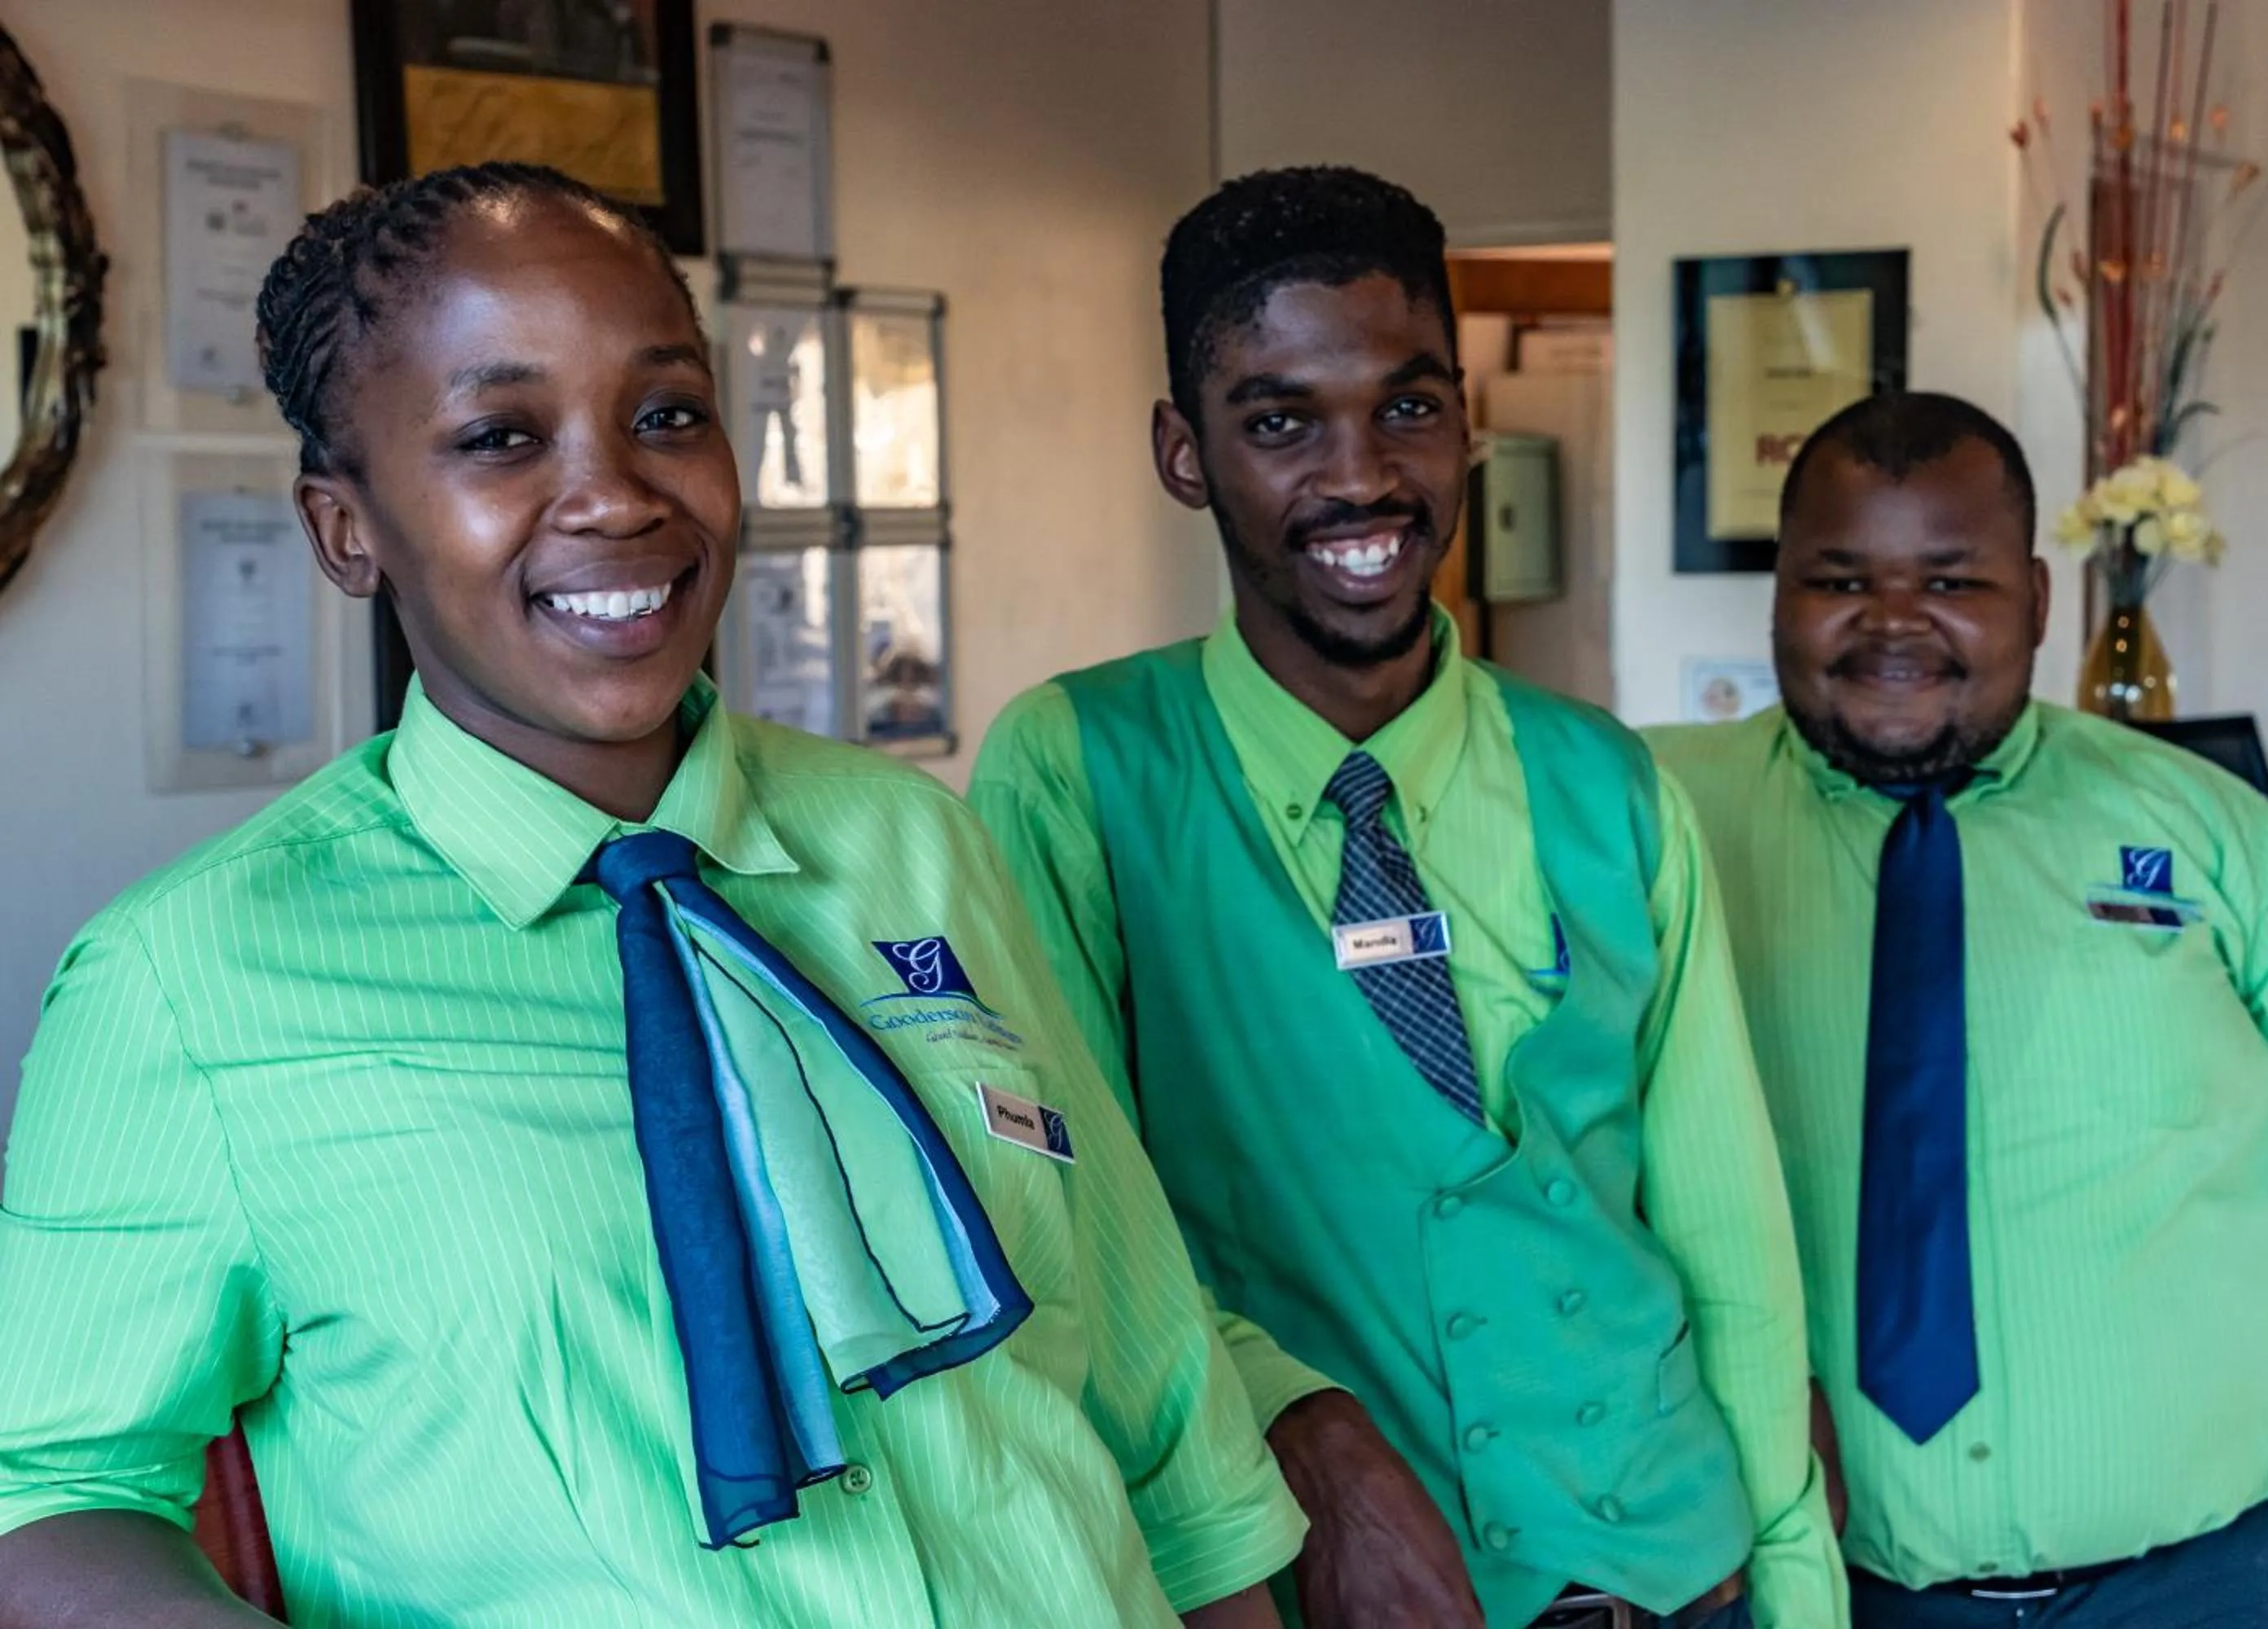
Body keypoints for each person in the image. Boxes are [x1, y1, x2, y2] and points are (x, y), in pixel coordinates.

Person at [0, 163, 1302, 1629]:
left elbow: (1155, 1394)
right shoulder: (191, 977)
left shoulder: (912, 845)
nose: (617, 495)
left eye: (668, 414)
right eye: (500, 436)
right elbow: (44, 1495)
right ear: (343, 530)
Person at [969, 165, 1843, 1629]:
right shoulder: (1079, 773)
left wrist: (1800, 1594)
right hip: (1350, 1591)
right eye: (1280, 421)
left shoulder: (1609, 783)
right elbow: (1064, 1217)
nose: (1363, 474)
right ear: (1185, 454)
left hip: (1680, 1576)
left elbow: (1728, 1237)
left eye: (1410, 405)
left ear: (1468, 421)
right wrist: (1298, 1421)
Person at [1646, 391, 2268, 1629]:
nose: (1894, 626)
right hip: (1811, 1595)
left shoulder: (2216, 837)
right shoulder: (1645, 830)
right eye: (1838, 578)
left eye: (1952, 582)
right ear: (1778, 593)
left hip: (2215, 1586)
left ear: (2039, 596)